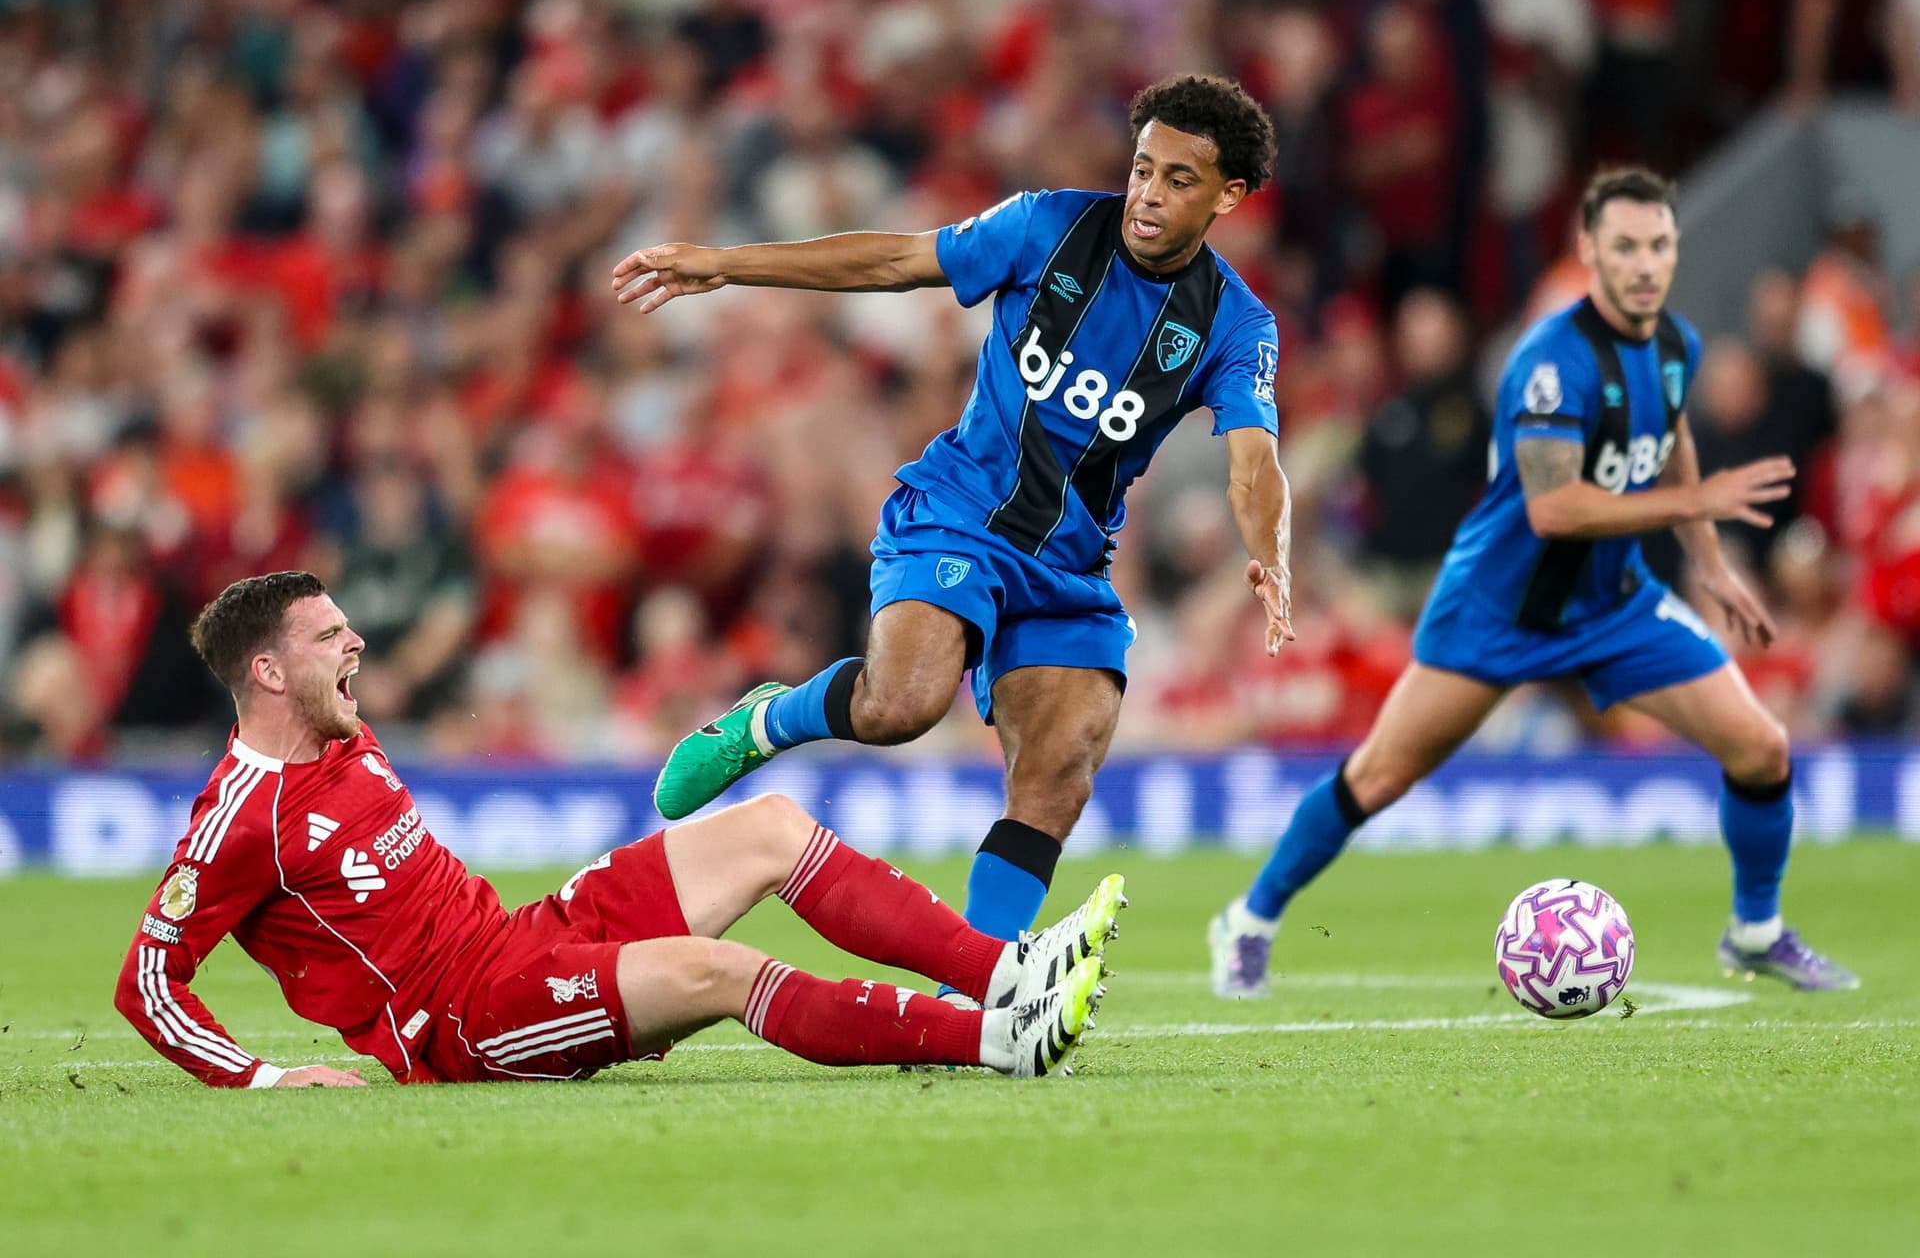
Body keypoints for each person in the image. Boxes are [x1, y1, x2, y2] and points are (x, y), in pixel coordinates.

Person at [611, 75, 1293, 1004]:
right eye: (1141, 170)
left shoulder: (1236, 324)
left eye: (1178, 180)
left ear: (1229, 197)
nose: (1147, 195)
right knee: (902, 704)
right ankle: (768, 718)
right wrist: (730, 263)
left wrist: (1272, 552)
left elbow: (1254, 459)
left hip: (1070, 564)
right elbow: (895, 261)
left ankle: (972, 1001)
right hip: (962, 513)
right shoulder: (1048, 227)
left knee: (1058, 773)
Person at [1209, 168, 1857, 999]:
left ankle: (1756, 932)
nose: (1645, 263)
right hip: (1498, 608)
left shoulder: (1674, 346)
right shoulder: (1551, 362)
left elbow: (1672, 435)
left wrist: (1710, 562)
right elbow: (1554, 510)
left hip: (1613, 603)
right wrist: (1696, 503)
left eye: (1659, 244)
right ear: (1589, 251)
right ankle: (1250, 919)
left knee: (1763, 748)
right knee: (1377, 777)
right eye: (1624, 246)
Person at [115, 572, 1125, 1087]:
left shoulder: (342, 732)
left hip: (520, 936)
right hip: (462, 1025)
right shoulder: (240, 820)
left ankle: (1007, 972)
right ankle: (1002, 1039)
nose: (358, 643)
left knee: (770, 824)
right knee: (719, 972)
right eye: (331, 634)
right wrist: (266, 1076)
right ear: (267, 671)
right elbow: (148, 980)